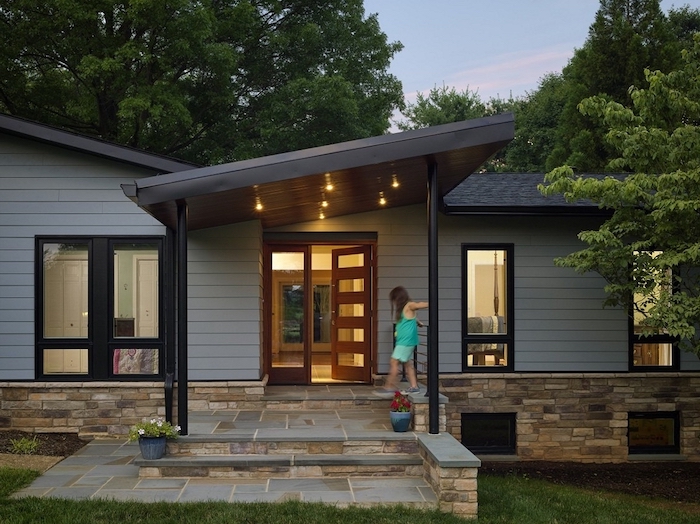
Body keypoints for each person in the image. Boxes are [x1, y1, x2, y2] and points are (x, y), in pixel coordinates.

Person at [384, 286, 428, 393]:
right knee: (407, 364)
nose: (394, 302)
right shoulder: (404, 309)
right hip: (404, 341)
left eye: (394, 299)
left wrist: (431, 303)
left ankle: (388, 387)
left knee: (394, 362)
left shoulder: (409, 305)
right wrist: (418, 322)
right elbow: (411, 318)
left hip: (406, 342)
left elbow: (418, 305)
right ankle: (414, 386)